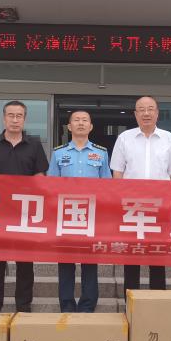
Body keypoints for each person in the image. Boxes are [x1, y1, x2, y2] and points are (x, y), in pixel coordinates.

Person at [0, 101, 49, 313]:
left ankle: (23, 306)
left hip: (24, 213)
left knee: (25, 263)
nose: (15, 120)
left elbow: (40, 175)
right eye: (11, 115)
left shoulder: (34, 145)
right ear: (4, 118)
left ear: (24, 119)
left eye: (19, 116)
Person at [110, 95, 171, 292]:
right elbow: (117, 173)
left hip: (160, 208)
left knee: (157, 257)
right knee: (131, 258)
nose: (146, 113)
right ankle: (130, 301)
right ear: (135, 114)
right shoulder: (124, 138)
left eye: (150, 109)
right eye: (141, 109)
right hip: (131, 208)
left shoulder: (169, 139)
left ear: (157, 113)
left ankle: (157, 302)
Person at [48, 110, 111, 311]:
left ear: (91, 127)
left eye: (85, 120)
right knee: (65, 262)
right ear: (69, 126)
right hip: (66, 215)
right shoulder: (58, 153)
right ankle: (66, 304)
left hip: (91, 215)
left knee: (90, 261)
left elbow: (107, 186)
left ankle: (88, 304)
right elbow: (51, 186)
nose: (81, 123)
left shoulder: (101, 153)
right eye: (76, 120)